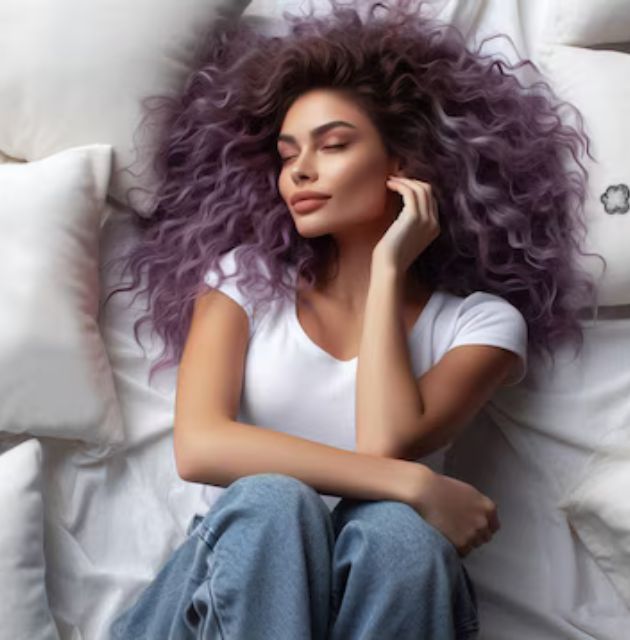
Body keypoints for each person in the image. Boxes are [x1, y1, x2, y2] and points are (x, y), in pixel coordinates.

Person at [106, 0, 605, 637]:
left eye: (333, 145)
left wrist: (391, 267)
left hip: (379, 595)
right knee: (272, 500)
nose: (300, 172)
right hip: (214, 604)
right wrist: (416, 486)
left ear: (406, 166)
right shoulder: (242, 282)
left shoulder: (481, 326)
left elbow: (382, 439)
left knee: (399, 536)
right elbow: (200, 445)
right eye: (288, 156)